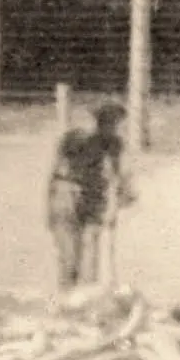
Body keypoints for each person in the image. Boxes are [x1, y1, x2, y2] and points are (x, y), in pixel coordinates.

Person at [46, 102, 131, 288]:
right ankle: (68, 299)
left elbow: (119, 175)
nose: (113, 128)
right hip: (68, 197)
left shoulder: (114, 143)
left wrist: (120, 196)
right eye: (109, 122)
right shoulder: (76, 139)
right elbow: (57, 173)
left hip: (90, 199)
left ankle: (85, 298)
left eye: (115, 124)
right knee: (70, 258)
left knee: (90, 257)